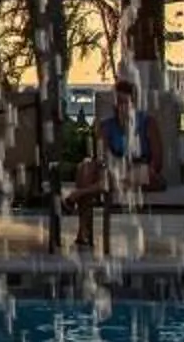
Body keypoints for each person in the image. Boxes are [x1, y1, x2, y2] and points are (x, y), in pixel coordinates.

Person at [69, 74, 162, 253]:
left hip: (145, 175)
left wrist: (134, 171)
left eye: (125, 102)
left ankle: (78, 194)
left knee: (139, 174)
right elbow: (101, 158)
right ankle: (84, 232)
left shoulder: (148, 123)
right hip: (116, 172)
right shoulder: (107, 126)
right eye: (118, 102)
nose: (121, 106)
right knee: (85, 168)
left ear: (134, 103)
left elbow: (157, 163)